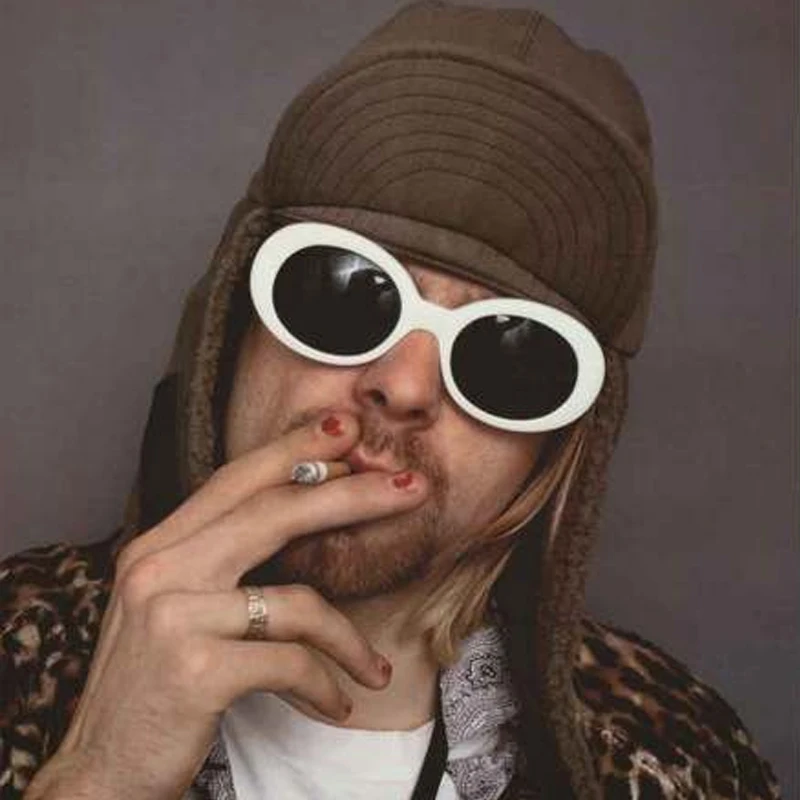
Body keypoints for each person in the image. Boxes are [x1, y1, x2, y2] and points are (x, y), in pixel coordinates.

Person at [0, 3, 782, 799]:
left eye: (508, 352)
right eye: (345, 291)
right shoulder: (16, 653)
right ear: (232, 327)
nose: (403, 386)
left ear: (559, 445)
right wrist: (101, 774)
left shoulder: (679, 759)